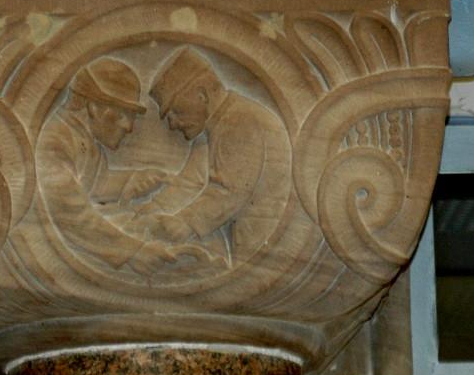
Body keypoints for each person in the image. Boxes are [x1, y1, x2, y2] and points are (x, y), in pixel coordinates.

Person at [140, 47, 292, 267]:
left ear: (202, 95)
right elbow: (190, 182)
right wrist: (151, 210)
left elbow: (229, 191)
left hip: (268, 247)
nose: (172, 124)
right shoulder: (213, 127)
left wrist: (185, 223)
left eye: (176, 111)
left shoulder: (238, 121)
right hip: (250, 242)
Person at [36, 57, 174, 276]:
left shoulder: (82, 139)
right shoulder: (55, 140)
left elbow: (94, 184)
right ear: (94, 107)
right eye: (123, 114)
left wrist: (133, 179)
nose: (129, 127)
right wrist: (132, 252)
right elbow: (69, 213)